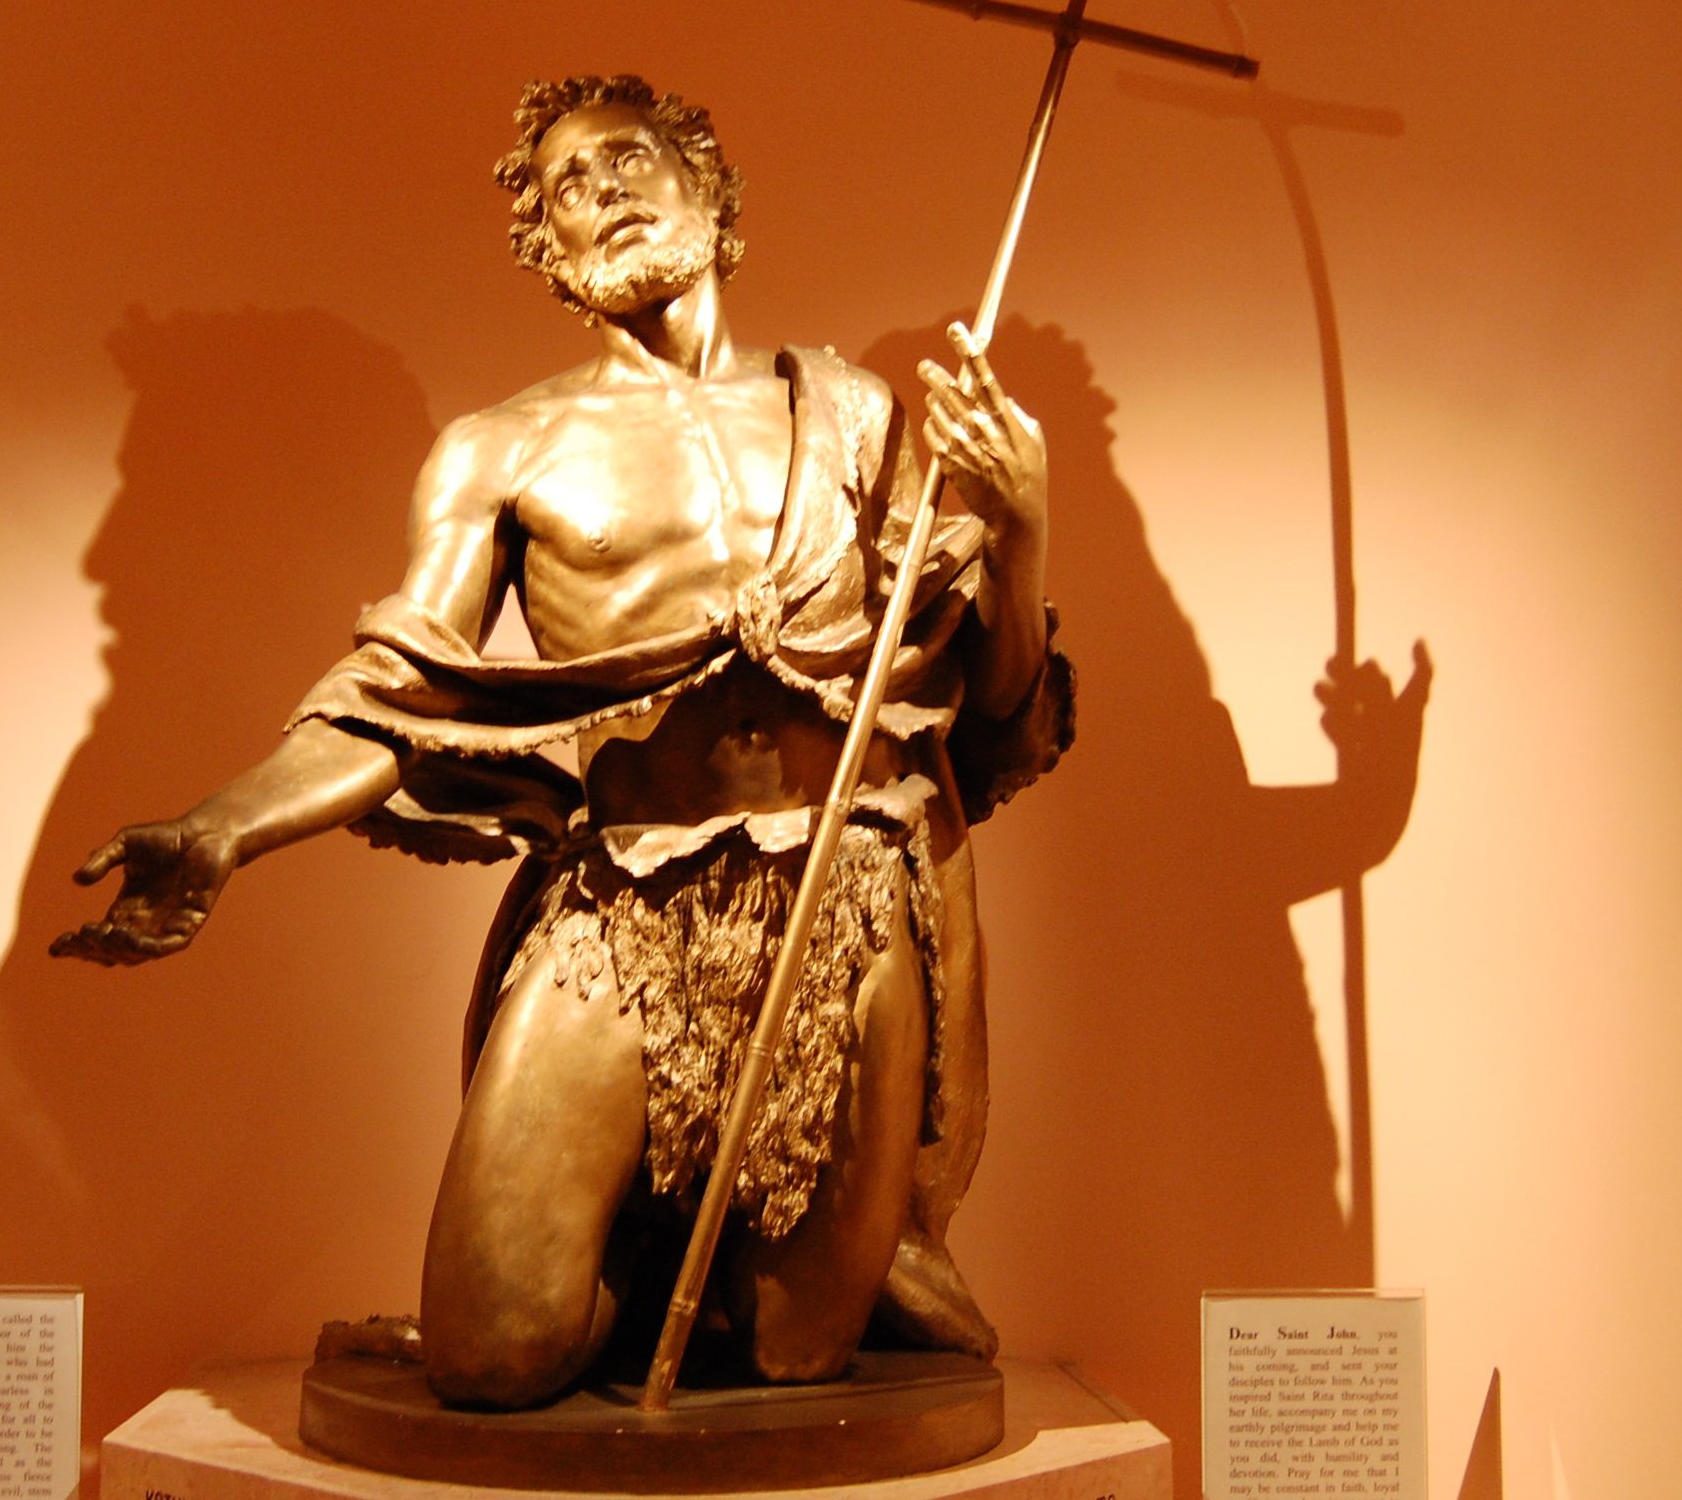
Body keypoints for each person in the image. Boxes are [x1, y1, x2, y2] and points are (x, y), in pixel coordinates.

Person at [54, 75, 1072, 1407]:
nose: (604, 193)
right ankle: (635, 1246)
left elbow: (987, 707)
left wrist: (1023, 529)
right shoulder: (503, 451)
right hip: (625, 907)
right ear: (548, 249)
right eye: (567, 186)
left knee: (792, 1355)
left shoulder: (851, 414)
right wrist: (224, 825)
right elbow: (394, 688)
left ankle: (778, 1251)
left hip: (844, 900)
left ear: (711, 194)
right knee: (493, 1353)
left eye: (631, 159)